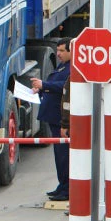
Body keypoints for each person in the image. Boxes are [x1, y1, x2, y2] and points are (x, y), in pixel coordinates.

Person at [31, 38, 72, 201]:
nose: (59, 54)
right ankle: (62, 186)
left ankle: (67, 189)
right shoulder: (62, 66)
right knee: (59, 155)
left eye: (62, 51)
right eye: (58, 50)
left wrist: (45, 85)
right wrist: (41, 89)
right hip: (53, 118)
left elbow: (64, 86)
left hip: (60, 118)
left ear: (72, 51)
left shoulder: (72, 69)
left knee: (64, 156)